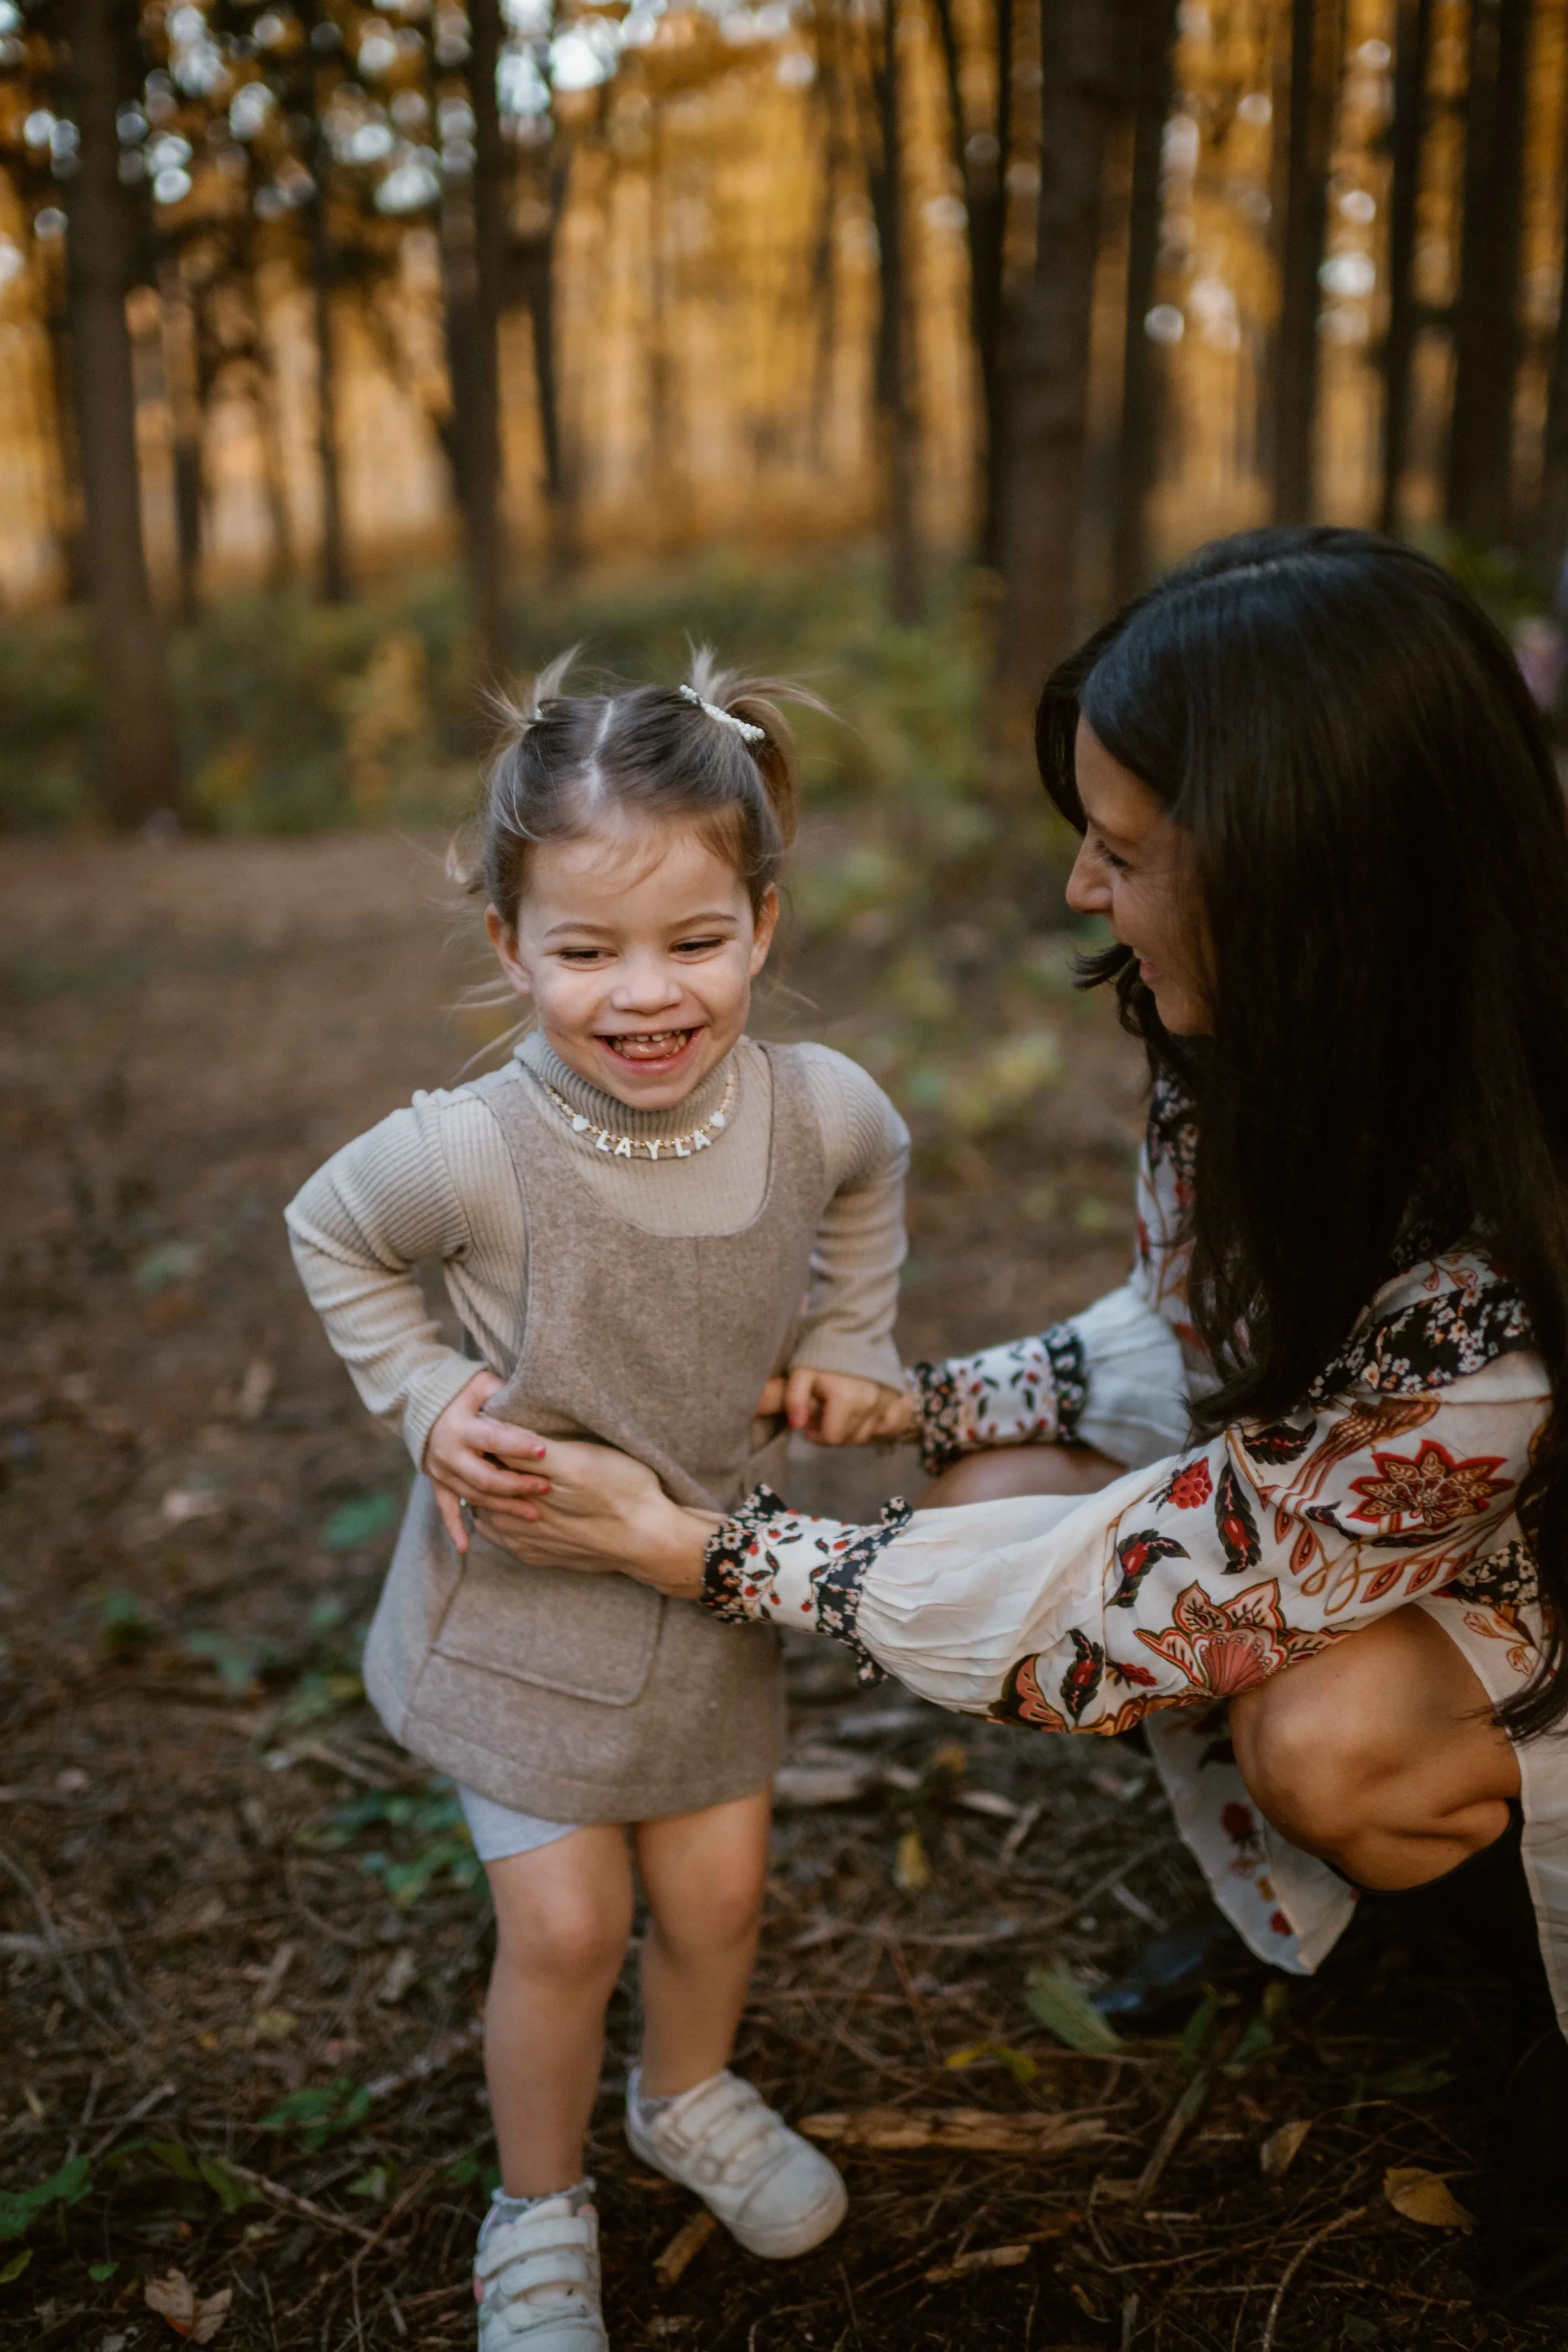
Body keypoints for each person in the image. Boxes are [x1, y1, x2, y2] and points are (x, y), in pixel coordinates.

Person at [487, 531, 1568, 2305]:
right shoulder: (1253, 1044)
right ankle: (1323, 1911)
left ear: (1311, 869)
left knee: (1327, 1739)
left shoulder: (1503, 1266)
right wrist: (921, 1405)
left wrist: (700, 1549)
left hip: (1509, 1580)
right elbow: (1182, 1332)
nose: (1081, 889)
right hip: (1341, 1521)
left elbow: (1149, 1603)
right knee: (992, 1481)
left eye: (1125, 851)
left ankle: (1511, 1995)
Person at [285, 652, 911, 2352]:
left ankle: (685, 2090)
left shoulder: (814, 1107)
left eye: (693, 940)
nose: (646, 993)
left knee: (713, 1900)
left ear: (761, 923)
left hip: (710, 1586)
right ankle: (537, 2197)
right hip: (532, 1596)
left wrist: (853, 1333)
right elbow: (328, 1231)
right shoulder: (475, 1146)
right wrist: (425, 1399)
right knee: (566, 1924)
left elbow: (871, 1177)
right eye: (584, 950)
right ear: (509, 945)